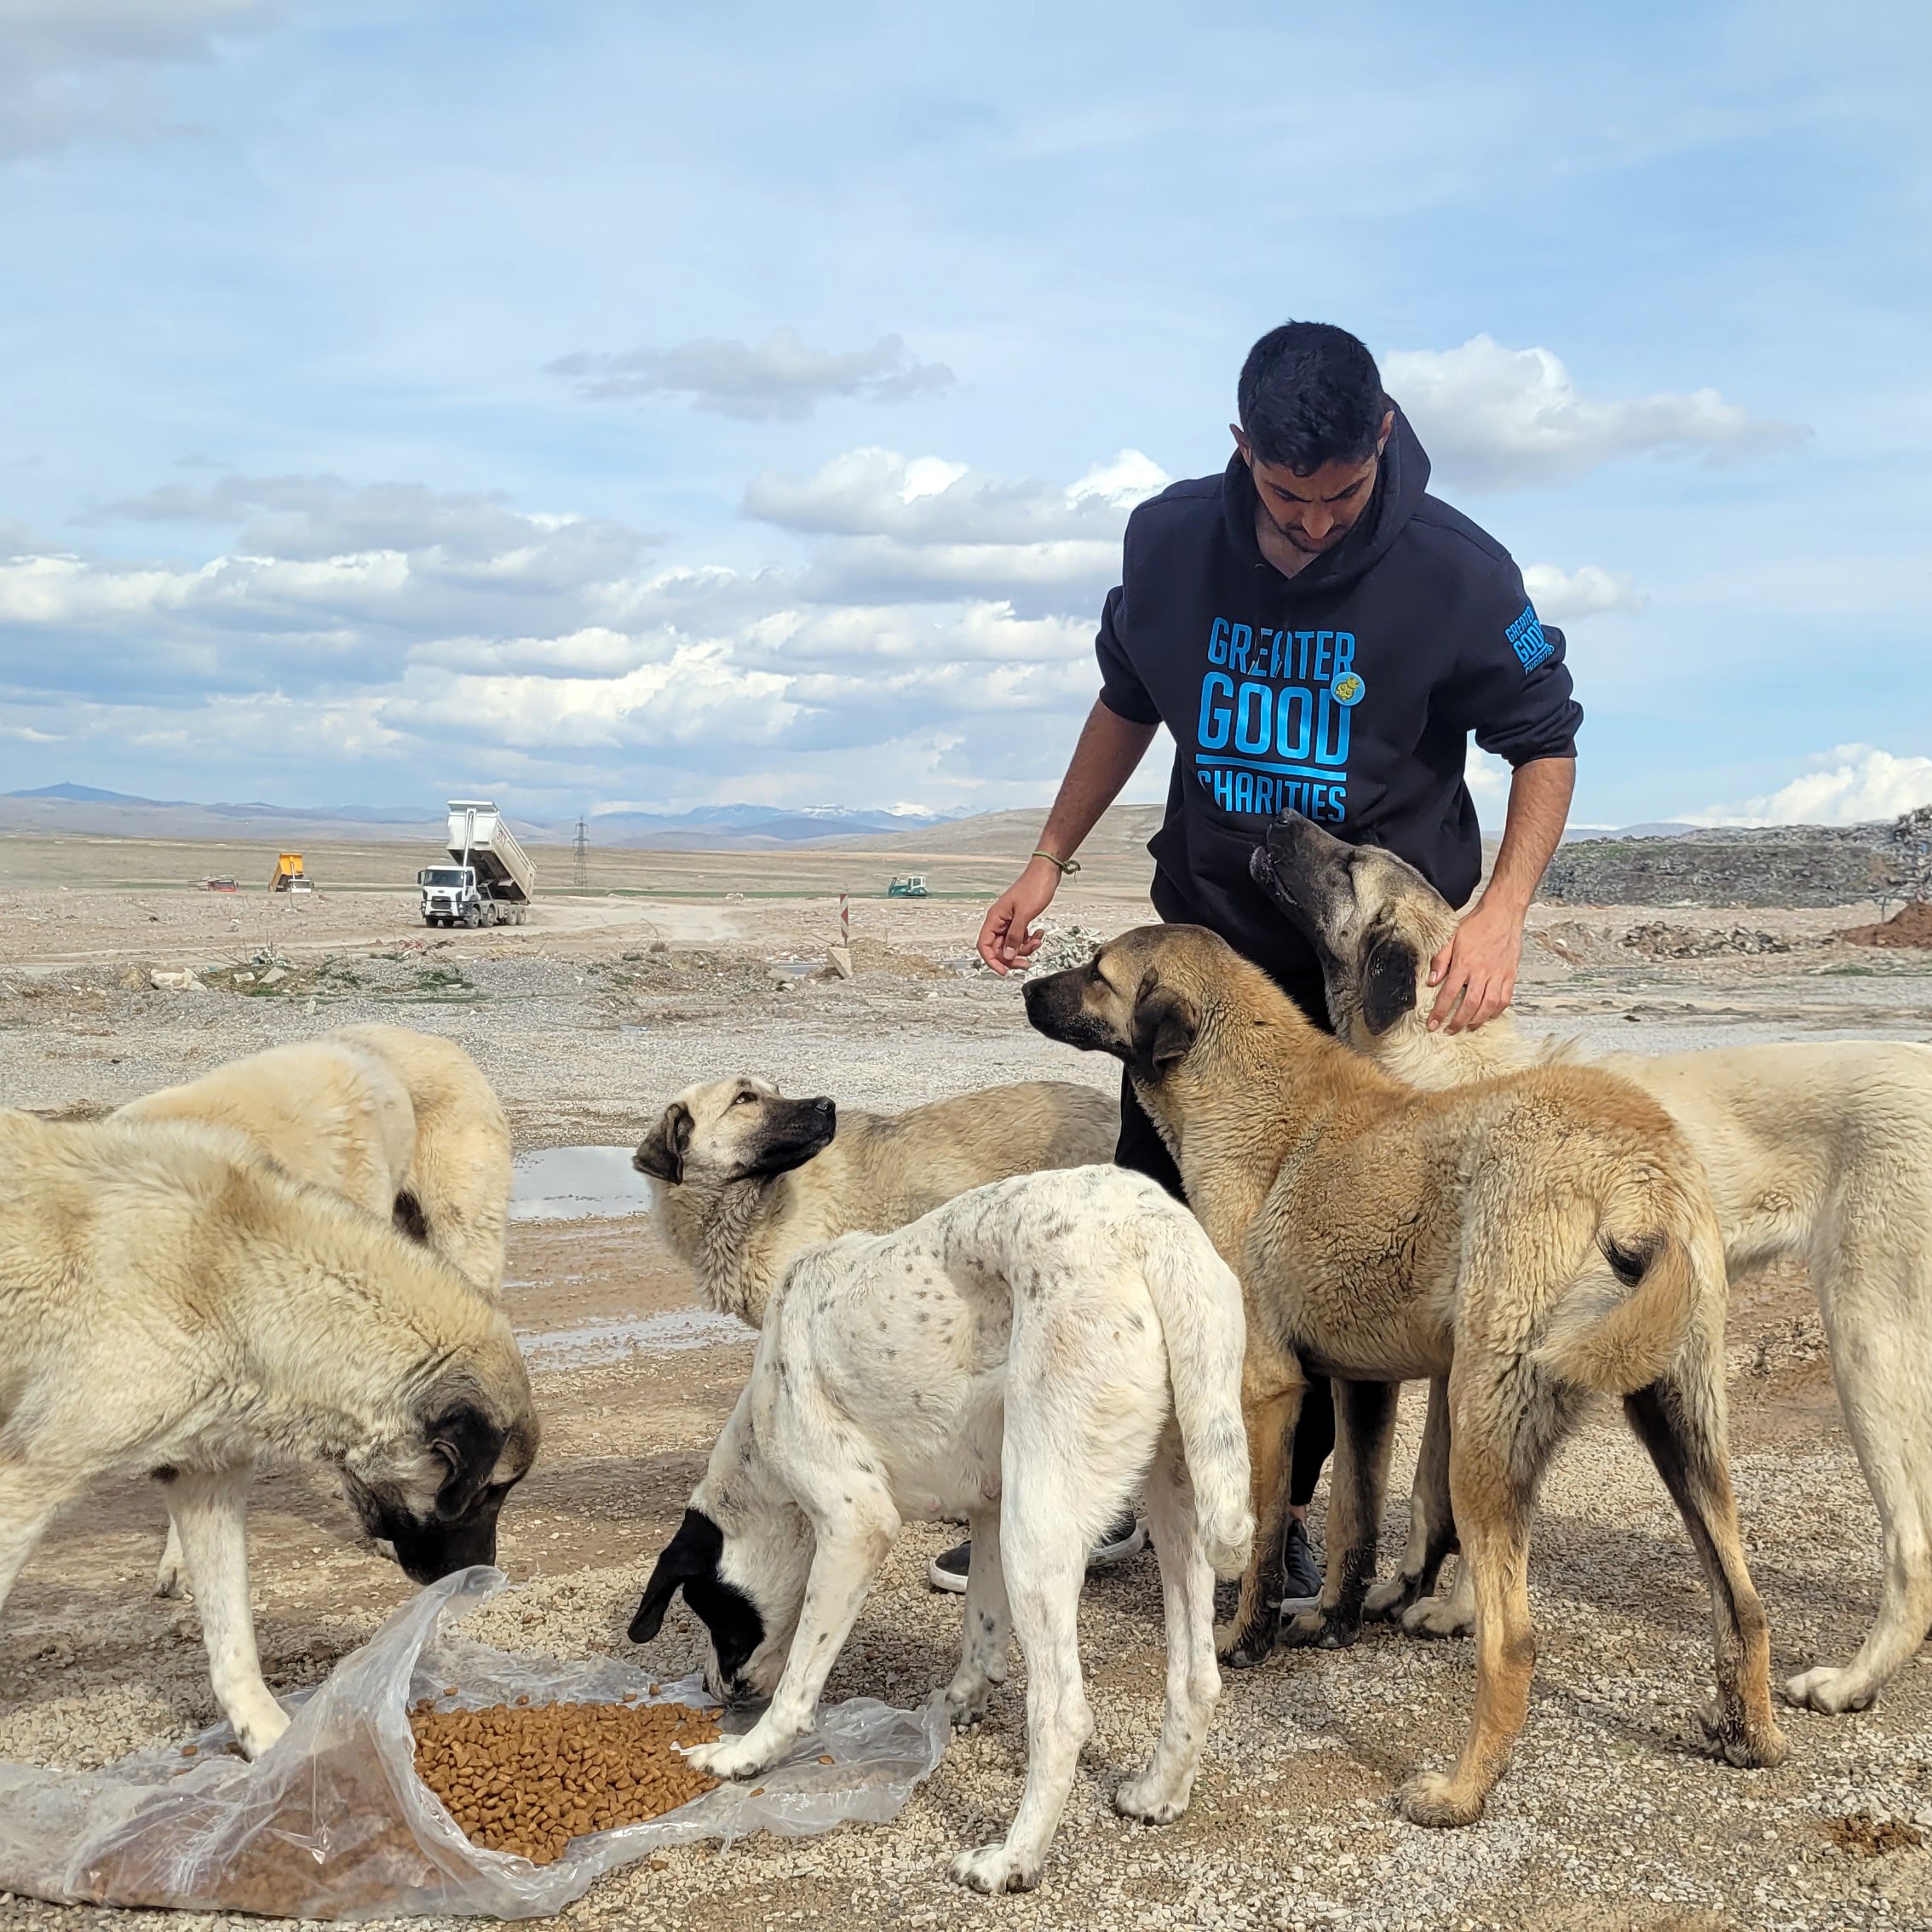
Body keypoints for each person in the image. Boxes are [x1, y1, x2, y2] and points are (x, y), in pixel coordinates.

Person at [931, 321, 1581, 1607]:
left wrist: (1503, 910)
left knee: (1320, 1267)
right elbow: (1127, 699)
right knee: (1144, 1227)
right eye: (1290, 498)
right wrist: (1049, 858)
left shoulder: (1457, 572)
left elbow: (1545, 738)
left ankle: (1277, 1512)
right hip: (1199, 982)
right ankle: (1118, 1494)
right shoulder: (1168, 543)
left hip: (1354, 994)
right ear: (1240, 447)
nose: (1317, 524)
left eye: (1342, 495)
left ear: (1382, 439)